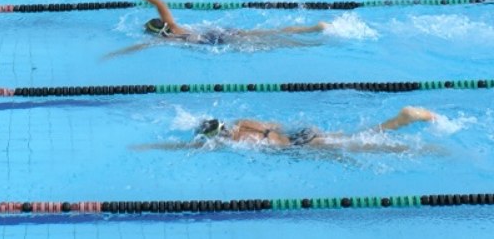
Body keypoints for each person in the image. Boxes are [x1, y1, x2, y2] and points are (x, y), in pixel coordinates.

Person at [103, 0, 328, 57]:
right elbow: (160, 3)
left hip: (217, 42)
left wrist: (115, 53)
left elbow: (140, 45)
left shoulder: (169, 39)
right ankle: (311, 28)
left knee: (270, 42)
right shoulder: (172, 26)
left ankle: (311, 39)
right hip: (219, 32)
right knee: (267, 33)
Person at [136, 107, 437, 153]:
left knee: (362, 144)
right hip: (300, 133)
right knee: (350, 136)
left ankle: (402, 122)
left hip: (300, 146)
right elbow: (276, 125)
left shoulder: (239, 141)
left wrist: (155, 146)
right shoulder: (242, 123)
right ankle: (401, 123)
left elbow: (192, 148)